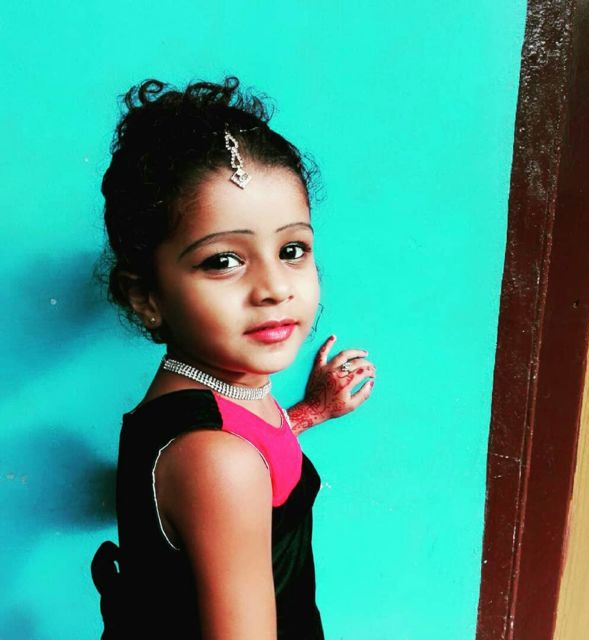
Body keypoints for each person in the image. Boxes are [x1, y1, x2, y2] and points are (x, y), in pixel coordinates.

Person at [89, 76, 376, 639]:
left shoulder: (213, 400)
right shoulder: (218, 460)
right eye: (223, 261)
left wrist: (311, 412)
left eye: (291, 250)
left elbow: (261, 454)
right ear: (146, 297)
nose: (274, 287)